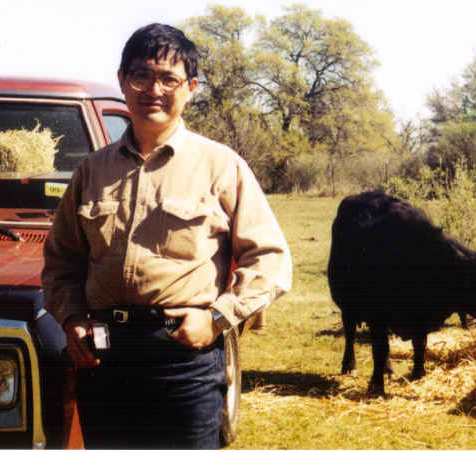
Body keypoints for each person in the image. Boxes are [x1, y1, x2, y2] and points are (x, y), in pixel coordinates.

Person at [42, 23, 292, 449]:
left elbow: (270, 259)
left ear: (190, 87)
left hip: (184, 357)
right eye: (141, 75)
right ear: (122, 81)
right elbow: (62, 261)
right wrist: (73, 319)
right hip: (104, 357)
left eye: (168, 79)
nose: (153, 89)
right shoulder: (92, 171)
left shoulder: (220, 165)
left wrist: (216, 319)